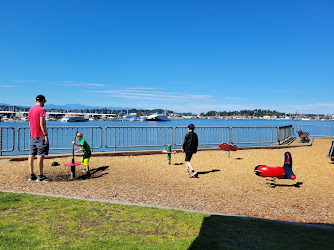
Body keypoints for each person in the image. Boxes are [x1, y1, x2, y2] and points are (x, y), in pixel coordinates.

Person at [28, 95, 52, 182]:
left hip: (32, 135)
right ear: (42, 101)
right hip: (40, 135)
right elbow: (42, 124)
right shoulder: (42, 110)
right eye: (44, 101)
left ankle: (31, 174)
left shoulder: (30, 110)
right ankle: (40, 175)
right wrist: (45, 135)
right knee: (40, 156)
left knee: (31, 155)